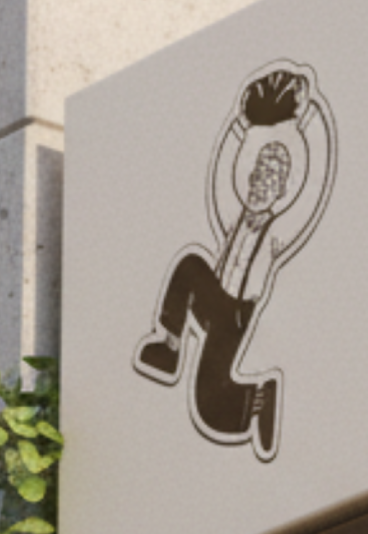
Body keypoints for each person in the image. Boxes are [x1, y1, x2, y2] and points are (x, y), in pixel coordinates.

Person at [133, 65, 337, 461]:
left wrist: (314, 122)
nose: (262, 181)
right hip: (215, 297)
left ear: (284, 188)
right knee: (190, 266)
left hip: (237, 314)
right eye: (259, 171)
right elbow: (219, 180)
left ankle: (259, 399)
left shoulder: (278, 232)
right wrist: (238, 127)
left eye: (273, 177)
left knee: (209, 400)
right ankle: (170, 346)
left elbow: (313, 197)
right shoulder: (234, 217)